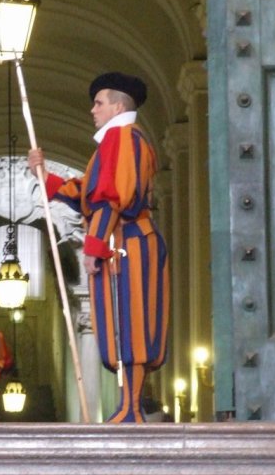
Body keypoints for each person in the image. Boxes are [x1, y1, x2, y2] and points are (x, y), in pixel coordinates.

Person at [27, 72, 170, 423]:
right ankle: (128, 404)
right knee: (123, 322)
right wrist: (45, 177)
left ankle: (131, 407)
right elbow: (89, 193)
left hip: (127, 242)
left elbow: (110, 197)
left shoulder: (122, 138)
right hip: (124, 241)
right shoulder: (116, 142)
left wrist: (93, 246)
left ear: (118, 107)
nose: (92, 110)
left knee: (131, 323)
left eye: (98, 103)